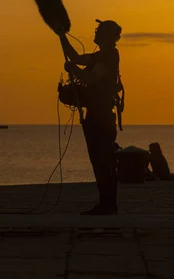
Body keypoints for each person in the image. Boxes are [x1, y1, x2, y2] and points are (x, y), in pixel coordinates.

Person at [59, 19, 122, 215]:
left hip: (101, 118)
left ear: (105, 36)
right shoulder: (101, 55)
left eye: (98, 30)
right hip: (96, 116)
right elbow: (76, 57)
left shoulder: (109, 56)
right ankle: (107, 203)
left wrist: (73, 70)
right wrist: (61, 36)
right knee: (100, 162)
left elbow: (91, 78)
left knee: (102, 162)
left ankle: (108, 205)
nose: (94, 33)